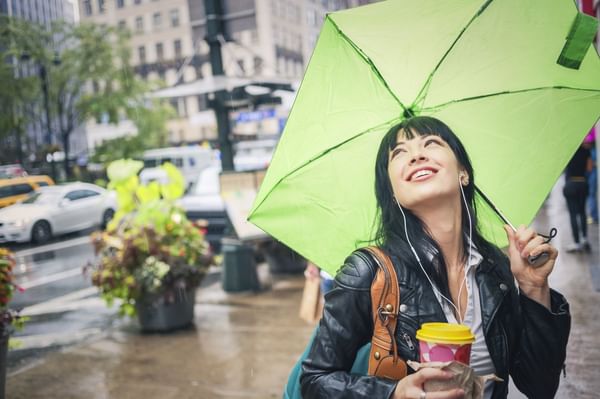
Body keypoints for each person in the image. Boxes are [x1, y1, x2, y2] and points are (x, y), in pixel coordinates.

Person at [300, 117, 570, 399]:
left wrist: (533, 288)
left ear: (463, 172)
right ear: (392, 193)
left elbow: (540, 386)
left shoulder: (494, 268)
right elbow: (315, 380)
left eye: (431, 143)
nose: (416, 155)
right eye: (399, 153)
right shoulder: (367, 272)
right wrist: (394, 393)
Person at [563, 143, 592, 252]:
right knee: (582, 212)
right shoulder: (586, 151)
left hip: (571, 184)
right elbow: (589, 168)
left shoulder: (569, 151)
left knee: (573, 214)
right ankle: (585, 238)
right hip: (582, 183)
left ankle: (576, 242)